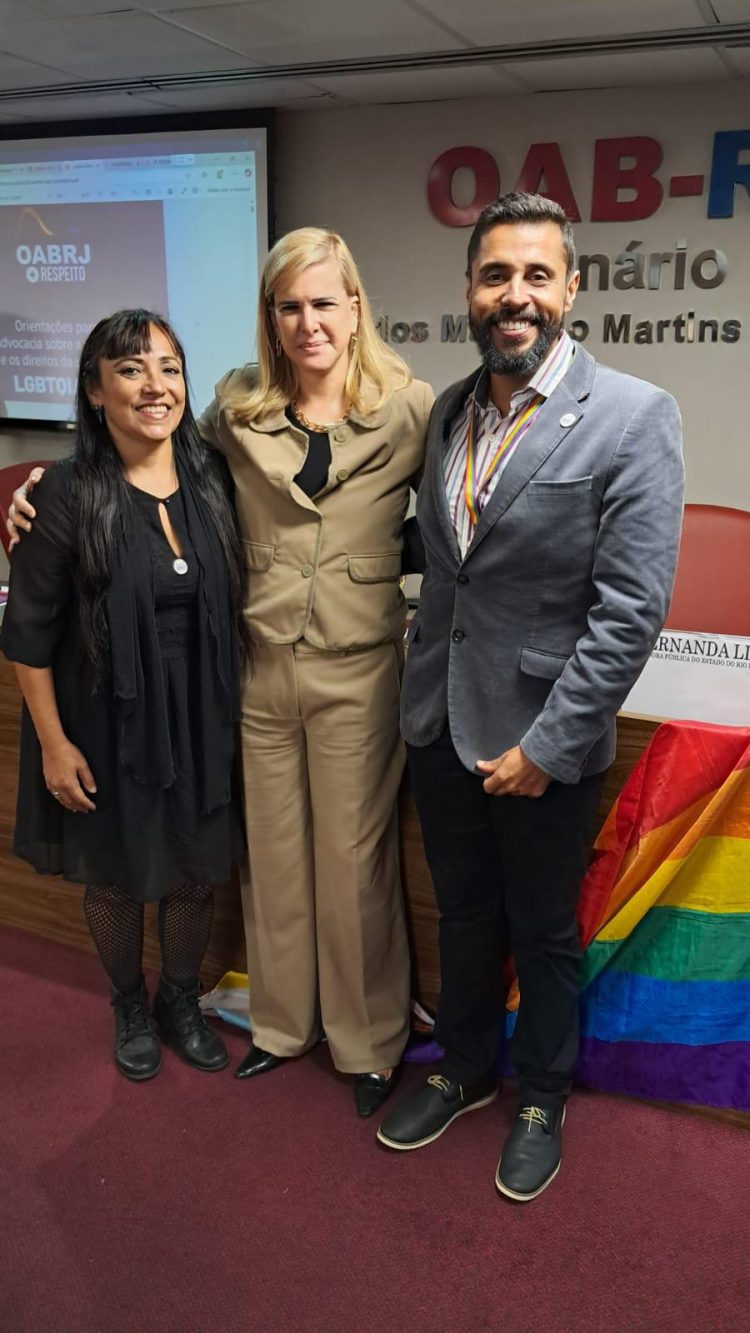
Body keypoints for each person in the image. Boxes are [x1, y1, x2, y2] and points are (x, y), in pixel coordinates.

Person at [7, 230, 433, 1117]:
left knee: (356, 864)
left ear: (356, 307)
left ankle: (367, 1039)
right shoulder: (235, 410)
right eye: (289, 306)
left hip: (356, 668)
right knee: (271, 861)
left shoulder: (413, 407)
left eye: (325, 302)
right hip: (256, 670)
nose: (308, 321)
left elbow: (464, 511)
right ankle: (281, 1026)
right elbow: (133, 458)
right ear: (269, 320)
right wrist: (29, 492)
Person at [377, 192, 685, 1200]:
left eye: (536, 275)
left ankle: (543, 1095)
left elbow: (629, 612)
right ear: (470, 290)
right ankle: (465, 1069)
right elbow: (439, 567)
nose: (515, 295)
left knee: (544, 930)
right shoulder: (449, 412)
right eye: (496, 275)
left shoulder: (636, 416)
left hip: (544, 744)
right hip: (438, 721)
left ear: (572, 288)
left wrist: (551, 744)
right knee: (464, 916)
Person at [1, 309, 247, 1082]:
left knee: (192, 869)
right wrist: (53, 743)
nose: (155, 385)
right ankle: (129, 1002)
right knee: (113, 873)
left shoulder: (213, 475)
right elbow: (29, 633)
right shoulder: (67, 492)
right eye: (132, 369)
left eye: (169, 367)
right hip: (104, 719)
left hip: (201, 716)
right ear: (95, 389)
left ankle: (178, 996)